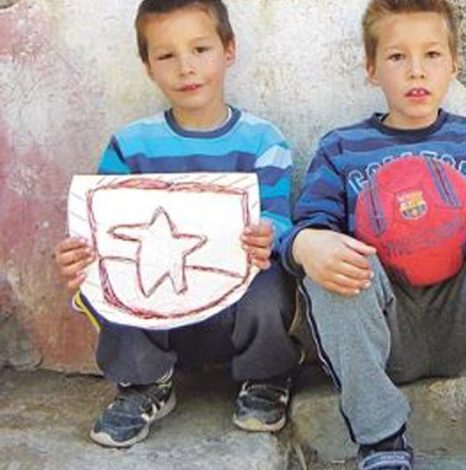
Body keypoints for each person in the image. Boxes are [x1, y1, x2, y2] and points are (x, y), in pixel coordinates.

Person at [280, 0, 466, 469]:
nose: (416, 71)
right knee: (334, 262)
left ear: (454, 63)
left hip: (465, 327)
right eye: (397, 57)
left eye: (432, 54)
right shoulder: (341, 148)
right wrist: (307, 245)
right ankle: (382, 444)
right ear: (371, 68)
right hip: (386, 333)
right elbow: (308, 225)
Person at [53, 0, 301, 448]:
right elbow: (101, 227)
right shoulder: (130, 146)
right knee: (101, 276)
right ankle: (145, 381)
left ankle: (265, 375)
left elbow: (279, 219)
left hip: (233, 307)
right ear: (148, 66)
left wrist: (267, 234)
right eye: (166, 55)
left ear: (228, 50)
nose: (186, 67)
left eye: (200, 49)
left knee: (272, 274)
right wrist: (80, 252)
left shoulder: (264, 140)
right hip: (154, 306)